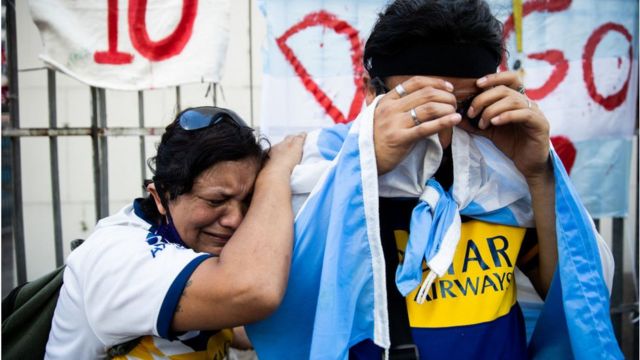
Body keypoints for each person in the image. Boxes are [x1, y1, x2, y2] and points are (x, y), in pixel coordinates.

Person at [245, 0, 618, 359]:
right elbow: (278, 306)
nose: (442, 133)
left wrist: (538, 175)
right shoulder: (317, 169)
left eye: (463, 109)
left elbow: (573, 303)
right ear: (370, 90)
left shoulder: (502, 171)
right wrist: (363, 173)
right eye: (419, 107)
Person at [44, 106, 305, 359]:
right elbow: (254, 292)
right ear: (160, 197)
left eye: (248, 200)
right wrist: (275, 174)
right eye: (215, 201)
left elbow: (226, 328)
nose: (235, 220)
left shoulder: (189, 244)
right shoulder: (119, 259)